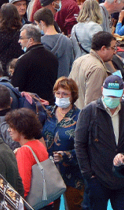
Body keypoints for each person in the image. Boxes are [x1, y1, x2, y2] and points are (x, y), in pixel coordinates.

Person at [75, 76, 124, 210]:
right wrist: (88, 174)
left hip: (122, 178)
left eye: (115, 96)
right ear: (102, 91)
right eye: (108, 95)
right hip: (97, 179)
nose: (112, 99)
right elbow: (79, 144)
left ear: (123, 94)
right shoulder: (89, 111)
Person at [42, 78, 84, 210]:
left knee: (74, 206)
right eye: (58, 93)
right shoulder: (47, 113)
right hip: (49, 171)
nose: (61, 96)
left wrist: (65, 155)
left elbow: (83, 147)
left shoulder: (80, 116)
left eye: (65, 94)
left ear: (73, 96)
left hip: (72, 173)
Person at [3, 108, 52, 205]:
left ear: (21, 129)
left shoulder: (25, 151)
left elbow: (23, 186)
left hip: (33, 203)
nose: (8, 130)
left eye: (11, 127)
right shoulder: (38, 144)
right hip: (46, 201)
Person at [67, 31, 118, 108]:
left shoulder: (79, 60)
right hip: (85, 116)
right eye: (113, 48)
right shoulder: (98, 69)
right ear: (103, 48)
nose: (114, 52)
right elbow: (92, 103)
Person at [12, 23, 58, 100]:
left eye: (21, 38)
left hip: (30, 104)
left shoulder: (24, 60)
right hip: (49, 102)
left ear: (31, 40)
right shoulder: (52, 57)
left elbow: (16, 88)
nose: (19, 41)